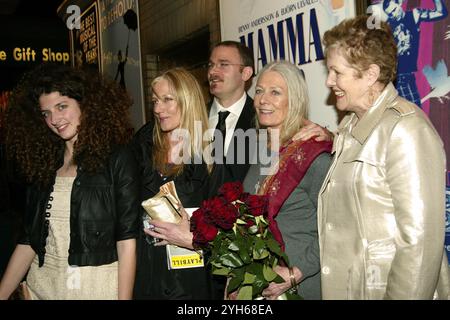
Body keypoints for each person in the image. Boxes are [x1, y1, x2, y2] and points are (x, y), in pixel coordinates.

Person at [319, 15, 449, 299]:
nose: (329, 81)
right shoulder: (349, 128)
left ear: (370, 74)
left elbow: (420, 243)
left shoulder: (406, 129)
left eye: (336, 72)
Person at [0, 63, 140, 300]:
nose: (54, 119)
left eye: (62, 106)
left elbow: (126, 242)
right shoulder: (44, 164)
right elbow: (29, 239)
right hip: (42, 288)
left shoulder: (117, 158)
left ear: (85, 104)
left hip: (94, 288)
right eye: (46, 113)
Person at [240, 60, 332, 300]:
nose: (262, 99)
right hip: (261, 284)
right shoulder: (262, 150)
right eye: (259, 91)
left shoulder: (314, 158)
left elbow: (339, 229)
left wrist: (294, 273)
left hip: (301, 287)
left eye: (275, 92)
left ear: (295, 99)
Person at [132, 67, 217, 299]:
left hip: (190, 278)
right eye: (155, 101)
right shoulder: (142, 146)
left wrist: (194, 239)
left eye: (167, 100)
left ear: (187, 101)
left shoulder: (212, 154)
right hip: (146, 271)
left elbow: (226, 230)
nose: (158, 109)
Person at [383, 0, 448, 107]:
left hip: (407, 75)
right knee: (416, 114)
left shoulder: (414, 15)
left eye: (394, 10)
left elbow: (441, 13)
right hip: (398, 76)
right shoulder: (388, 25)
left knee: (414, 114)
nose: (393, 15)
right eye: (390, 13)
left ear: (399, 3)